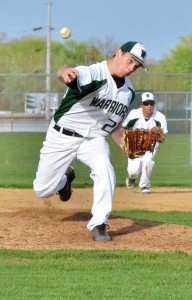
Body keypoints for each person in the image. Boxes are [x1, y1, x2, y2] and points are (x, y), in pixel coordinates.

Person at [33, 41, 148, 241]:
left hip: (93, 139)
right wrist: (65, 72)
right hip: (62, 135)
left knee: (105, 168)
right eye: (130, 61)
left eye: (136, 66)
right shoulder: (93, 74)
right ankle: (63, 182)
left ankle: (99, 224)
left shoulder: (128, 93)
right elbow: (64, 73)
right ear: (118, 53)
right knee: (42, 190)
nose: (131, 68)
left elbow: (115, 127)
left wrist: (127, 145)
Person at [122, 92, 168, 194]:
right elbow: (124, 128)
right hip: (135, 143)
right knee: (133, 171)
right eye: (146, 103)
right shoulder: (134, 114)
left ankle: (145, 186)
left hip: (151, 143)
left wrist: (158, 134)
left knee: (148, 161)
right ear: (141, 105)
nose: (149, 106)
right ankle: (131, 177)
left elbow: (162, 137)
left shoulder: (160, 117)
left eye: (151, 103)